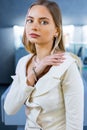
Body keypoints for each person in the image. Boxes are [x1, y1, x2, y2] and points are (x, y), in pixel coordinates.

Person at [4, 0, 84, 130]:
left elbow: (75, 125)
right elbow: (9, 109)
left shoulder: (67, 66)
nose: (34, 27)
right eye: (30, 20)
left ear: (56, 31)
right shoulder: (23, 63)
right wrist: (32, 75)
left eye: (43, 22)